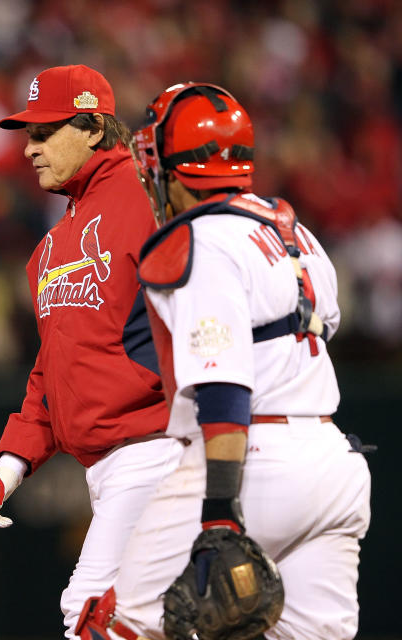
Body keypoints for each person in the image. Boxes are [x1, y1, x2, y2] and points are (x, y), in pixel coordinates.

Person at [87, 83, 372, 640]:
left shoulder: (201, 239)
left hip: (248, 461)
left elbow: (224, 386)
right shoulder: (298, 233)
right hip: (333, 462)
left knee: (121, 626)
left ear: (173, 165)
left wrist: (219, 509)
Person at [0, 64, 185, 639]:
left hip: (157, 449)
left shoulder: (150, 204)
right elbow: (51, 368)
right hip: (107, 464)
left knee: (89, 611)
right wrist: (12, 463)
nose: (28, 150)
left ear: (93, 128)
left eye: (44, 133)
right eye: (28, 135)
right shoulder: (52, 244)